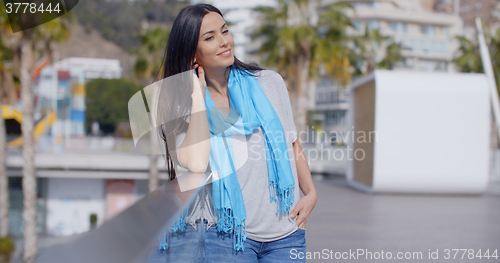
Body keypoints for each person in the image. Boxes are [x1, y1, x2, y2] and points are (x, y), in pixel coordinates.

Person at [147, 3, 317, 263]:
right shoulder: (180, 106)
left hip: (286, 234)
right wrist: (197, 94)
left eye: (224, 31)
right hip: (228, 236)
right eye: (210, 37)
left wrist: (311, 192)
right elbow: (196, 161)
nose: (224, 42)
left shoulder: (269, 82)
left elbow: (290, 143)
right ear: (192, 52)